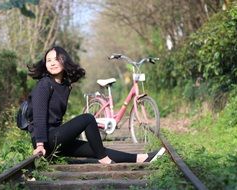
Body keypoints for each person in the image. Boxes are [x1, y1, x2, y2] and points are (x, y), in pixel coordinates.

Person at [27, 46, 165, 164]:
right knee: (87, 118)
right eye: (48, 60)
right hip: (45, 140)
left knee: (96, 148)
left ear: (64, 60)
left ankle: (142, 158)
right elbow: (39, 116)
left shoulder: (65, 86)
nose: (52, 63)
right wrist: (40, 144)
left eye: (56, 59)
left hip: (56, 139)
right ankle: (103, 159)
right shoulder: (44, 84)